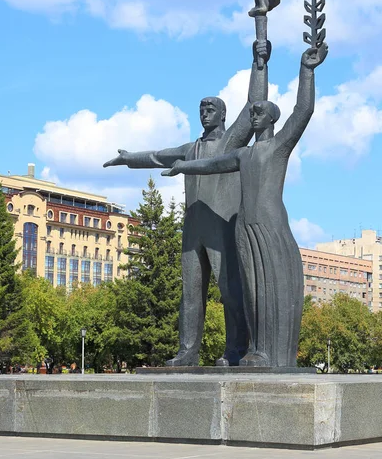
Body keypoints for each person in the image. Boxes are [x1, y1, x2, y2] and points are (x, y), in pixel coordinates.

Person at [103, 41, 270, 366]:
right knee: (190, 294)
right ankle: (187, 352)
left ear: (222, 115)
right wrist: (127, 159)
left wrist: (258, 62)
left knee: (229, 292)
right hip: (192, 231)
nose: (204, 113)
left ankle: (235, 351)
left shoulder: (230, 142)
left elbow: (254, 104)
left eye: (210, 109)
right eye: (201, 109)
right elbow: (155, 156)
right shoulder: (190, 148)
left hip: (223, 226)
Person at [163, 43, 328, 367]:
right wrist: (182, 166)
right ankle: (256, 349)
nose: (253, 113)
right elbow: (210, 165)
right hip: (244, 229)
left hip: (268, 226)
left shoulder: (279, 145)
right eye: (252, 111)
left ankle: (266, 351)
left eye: (258, 111)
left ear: (271, 118)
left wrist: (305, 71)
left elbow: (303, 111)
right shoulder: (243, 154)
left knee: (267, 288)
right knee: (252, 290)